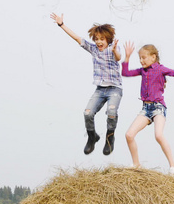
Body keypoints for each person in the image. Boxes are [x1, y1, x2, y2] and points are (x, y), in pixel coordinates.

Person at [50, 13, 122, 155]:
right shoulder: (94, 49)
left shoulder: (113, 48)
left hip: (114, 89)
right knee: (87, 113)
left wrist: (115, 51)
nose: (99, 42)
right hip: (100, 90)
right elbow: (77, 38)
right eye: (96, 39)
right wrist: (61, 25)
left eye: (102, 39)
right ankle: (92, 137)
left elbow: (118, 57)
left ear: (108, 39)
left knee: (112, 112)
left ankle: (109, 138)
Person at [122, 42, 174, 174]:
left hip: (158, 108)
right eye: (140, 58)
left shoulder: (161, 69)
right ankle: (136, 164)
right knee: (129, 135)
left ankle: (173, 166)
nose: (141, 60)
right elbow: (125, 73)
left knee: (158, 135)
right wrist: (127, 57)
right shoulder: (142, 71)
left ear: (153, 57)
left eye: (144, 57)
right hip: (145, 108)